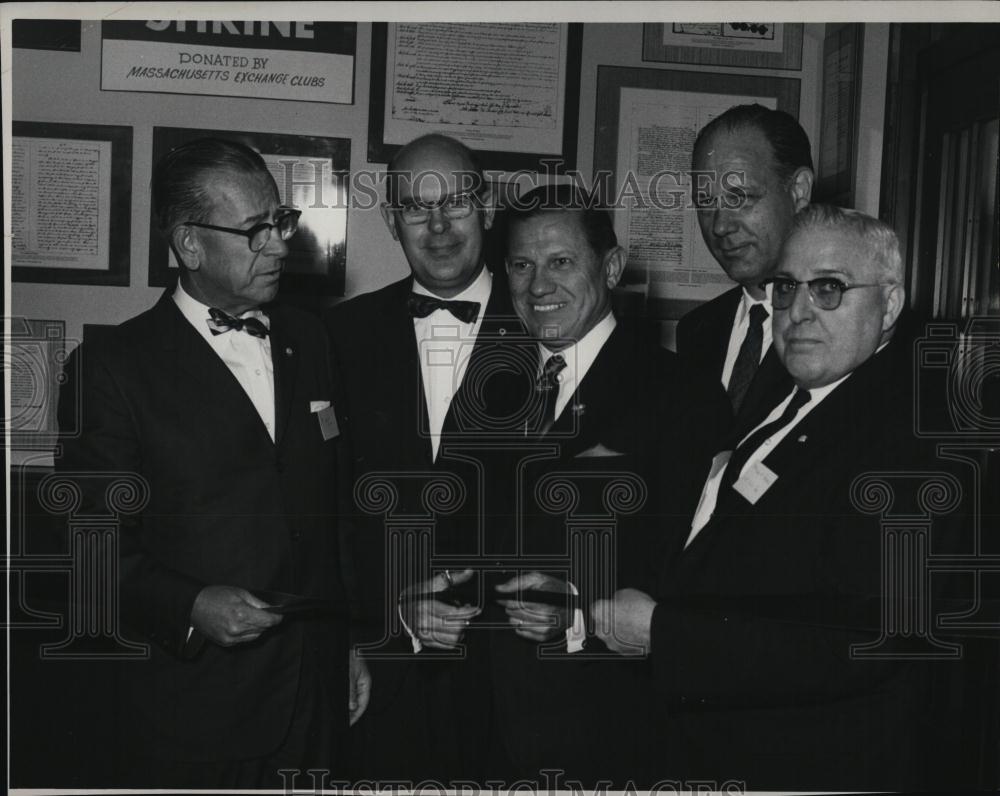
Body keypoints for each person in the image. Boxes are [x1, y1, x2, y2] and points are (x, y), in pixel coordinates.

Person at [593, 205, 965, 789]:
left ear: (890, 305)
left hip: (808, 765)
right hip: (718, 751)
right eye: (787, 287)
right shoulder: (789, 395)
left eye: (829, 288)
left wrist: (665, 634)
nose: (799, 310)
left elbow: (864, 639)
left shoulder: (910, 440)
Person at [56, 137, 367, 789]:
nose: (278, 247)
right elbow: (91, 545)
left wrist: (348, 644)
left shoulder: (312, 340)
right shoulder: (112, 368)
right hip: (192, 713)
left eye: (281, 222)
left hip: (314, 699)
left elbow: (334, 513)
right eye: (255, 231)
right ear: (189, 245)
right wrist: (190, 604)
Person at [468, 184, 727, 785]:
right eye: (521, 265)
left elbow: (692, 569)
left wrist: (578, 609)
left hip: (610, 727)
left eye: (560, 262)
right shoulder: (492, 387)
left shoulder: (681, 392)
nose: (538, 286)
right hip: (485, 727)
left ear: (610, 267)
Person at [325, 133, 523, 781]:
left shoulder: (549, 323)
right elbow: (327, 509)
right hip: (382, 673)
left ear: (486, 207)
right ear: (391, 220)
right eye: (416, 207)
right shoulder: (340, 336)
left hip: (514, 678)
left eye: (456, 203)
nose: (438, 227)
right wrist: (364, 629)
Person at [677, 103, 813, 433]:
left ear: (798, 192)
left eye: (740, 197)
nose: (720, 225)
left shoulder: (843, 328)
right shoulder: (696, 330)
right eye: (706, 203)